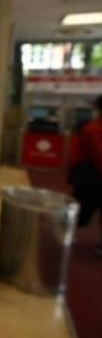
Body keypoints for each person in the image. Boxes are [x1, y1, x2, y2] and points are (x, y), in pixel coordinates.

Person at [70, 95, 102, 255]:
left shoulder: (91, 128)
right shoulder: (92, 129)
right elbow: (98, 154)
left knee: (79, 208)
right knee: (79, 210)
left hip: (93, 177)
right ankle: (63, 233)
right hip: (92, 178)